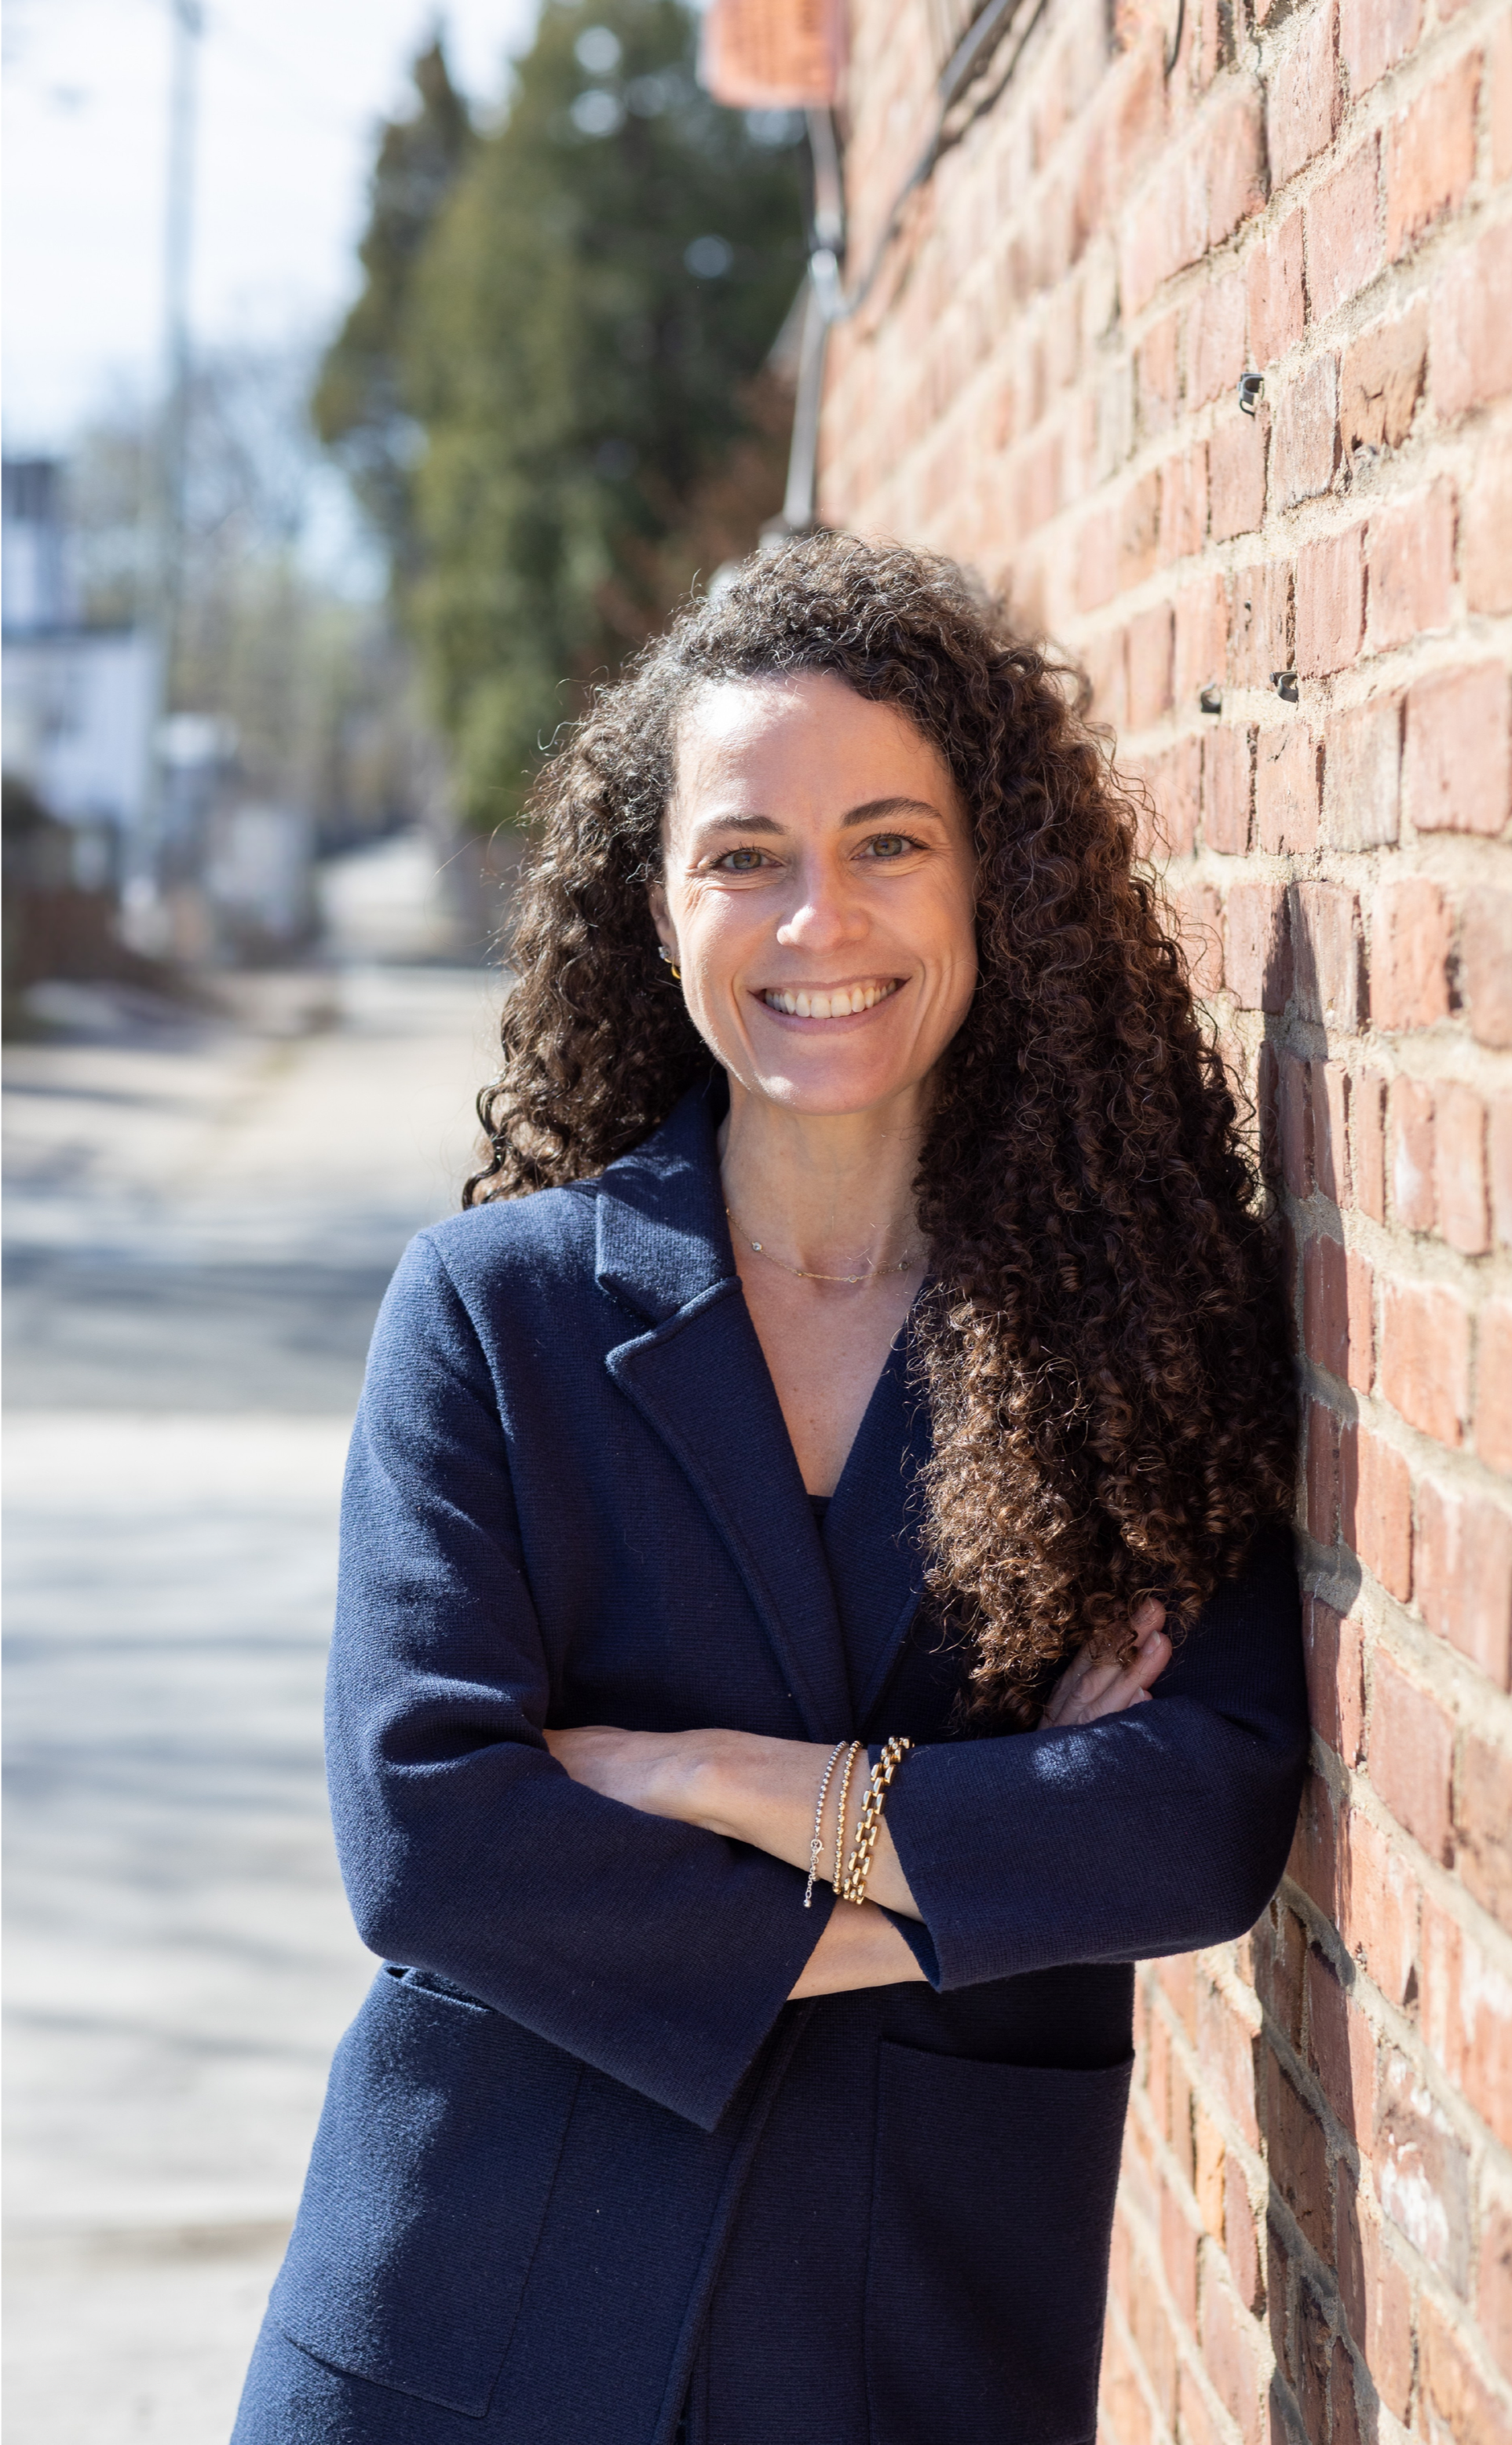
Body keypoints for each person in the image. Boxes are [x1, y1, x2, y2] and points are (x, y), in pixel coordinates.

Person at [233, 533, 1306, 2445]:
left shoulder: (1130, 1324)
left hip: (913, 2348)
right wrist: (965, 1868)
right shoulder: (491, 1318)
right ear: (657, 911)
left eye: (888, 841)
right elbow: (432, 1849)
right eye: (744, 856)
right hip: (462, 2329)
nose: (820, 919)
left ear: (995, 884)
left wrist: (719, 1780)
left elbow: (1197, 1821)